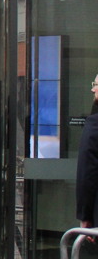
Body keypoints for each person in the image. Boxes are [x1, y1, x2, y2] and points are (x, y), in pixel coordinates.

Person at [77, 74, 98, 230]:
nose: (93, 89)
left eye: (96, 84)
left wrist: (85, 216)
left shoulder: (94, 123)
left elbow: (87, 172)